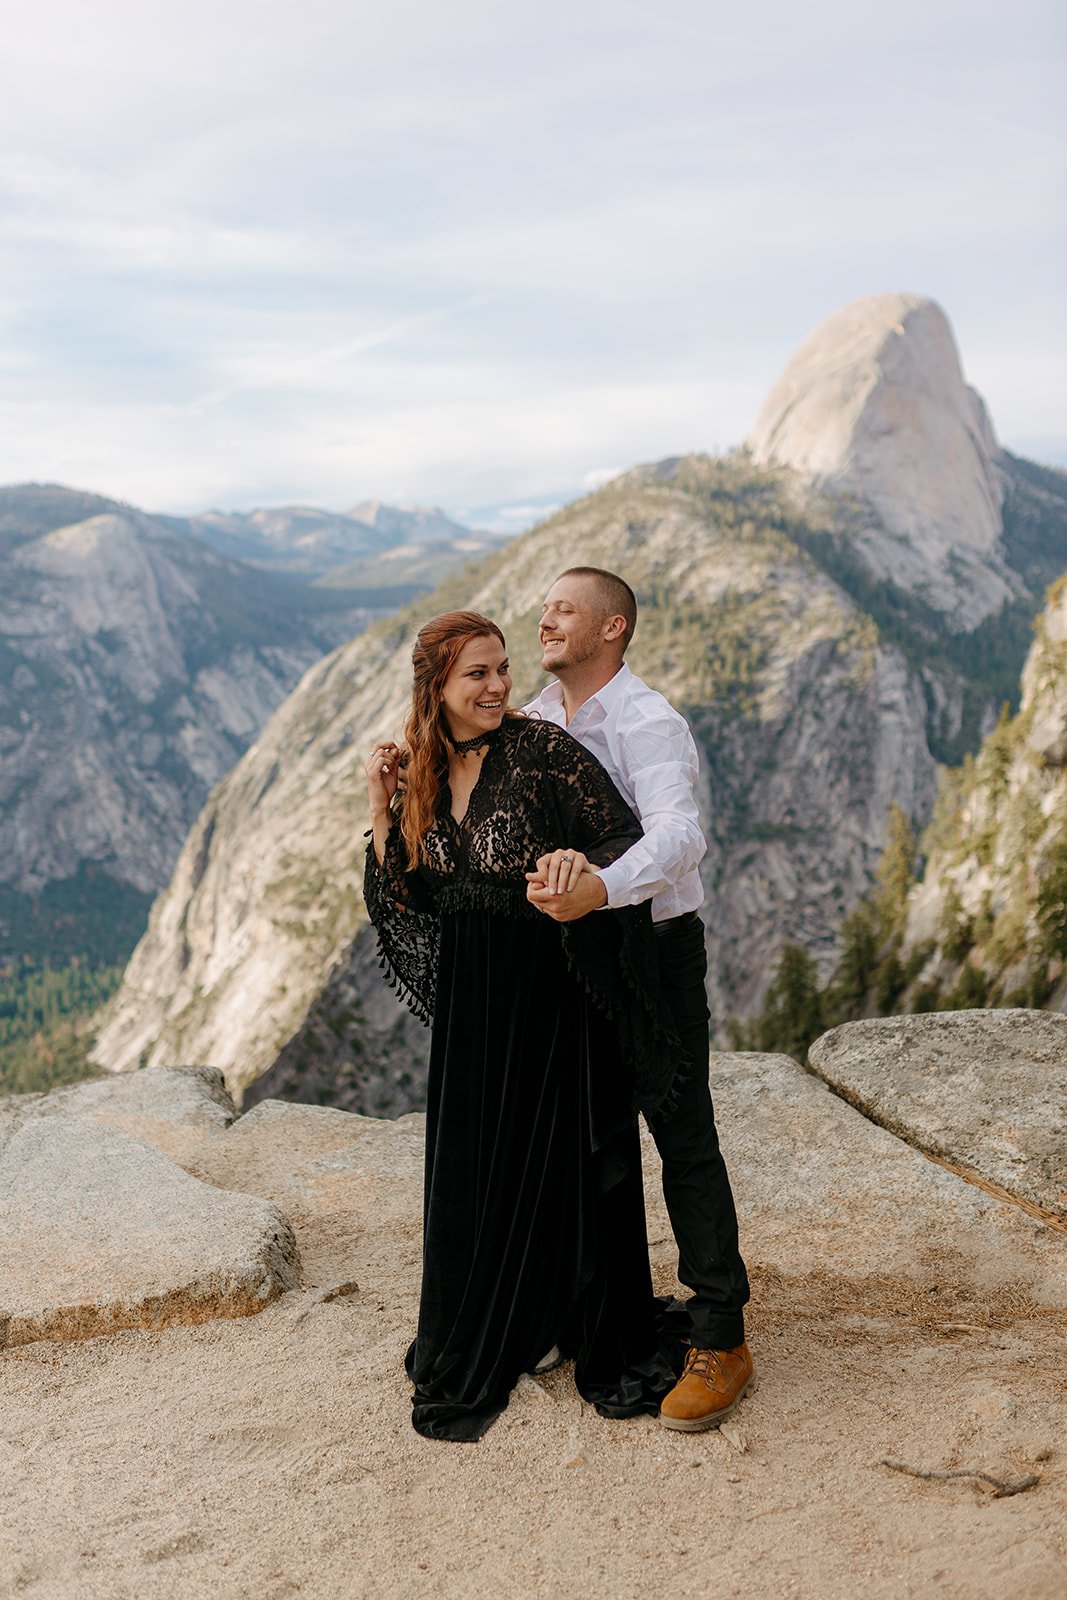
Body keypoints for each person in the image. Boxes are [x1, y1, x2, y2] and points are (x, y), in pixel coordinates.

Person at [363, 610, 684, 1441]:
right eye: (477, 673)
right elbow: (409, 895)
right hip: (474, 1009)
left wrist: (581, 870)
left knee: (555, 1166)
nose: (500, 686)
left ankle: (567, 1316)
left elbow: (623, 838)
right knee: (478, 1168)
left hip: (552, 998)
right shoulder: (425, 768)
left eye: (502, 668)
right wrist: (381, 803)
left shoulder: (540, 751)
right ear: (435, 687)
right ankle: (509, 1322)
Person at [524, 567, 752, 1432]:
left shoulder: (647, 720)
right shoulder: (539, 720)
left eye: (564, 609)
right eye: (544, 607)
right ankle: (599, 1313)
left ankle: (721, 1335)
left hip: (651, 952)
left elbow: (680, 836)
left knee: (680, 1133)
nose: (544, 620)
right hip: (576, 952)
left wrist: (603, 889)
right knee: (588, 1135)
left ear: (612, 628)